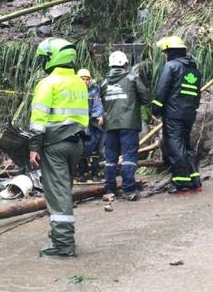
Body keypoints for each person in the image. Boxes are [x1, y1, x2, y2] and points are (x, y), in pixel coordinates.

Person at [29, 37, 89, 258]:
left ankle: (63, 244)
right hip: (76, 144)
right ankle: (59, 235)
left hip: (54, 145)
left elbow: (38, 121)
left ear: (51, 58)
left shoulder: (47, 84)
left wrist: (34, 147)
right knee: (64, 190)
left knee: (58, 194)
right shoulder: (79, 83)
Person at [152, 36, 203, 195]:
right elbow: (197, 94)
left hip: (173, 114)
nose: (165, 55)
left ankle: (182, 183)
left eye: (165, 52)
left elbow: (162, 89)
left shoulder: (171, 66)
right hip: (189, 114)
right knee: (186, 146)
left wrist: (156, 109)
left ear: (171, 51)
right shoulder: (193, 69)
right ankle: (194, 181)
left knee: (175, 147)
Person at [100, 51, 149, 201]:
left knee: (110, 158)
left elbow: (103, 102)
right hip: (128, 124)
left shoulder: (104, 83)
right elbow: (146, 98)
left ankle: (109, 189)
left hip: (110, 125)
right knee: (129, 156)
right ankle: (129, 189)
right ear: (125, 64)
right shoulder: (132, 79)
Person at [76, 69, 104, 182]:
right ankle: (82, 173)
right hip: (78, 125)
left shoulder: (93, 92)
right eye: (82, 79)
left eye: (87, 79)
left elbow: (97, 105)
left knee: (94, 149)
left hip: (91, 125)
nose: (85, 81)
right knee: (80, 150)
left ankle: (95, 173)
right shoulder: (73, 93)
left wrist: (99, 116)